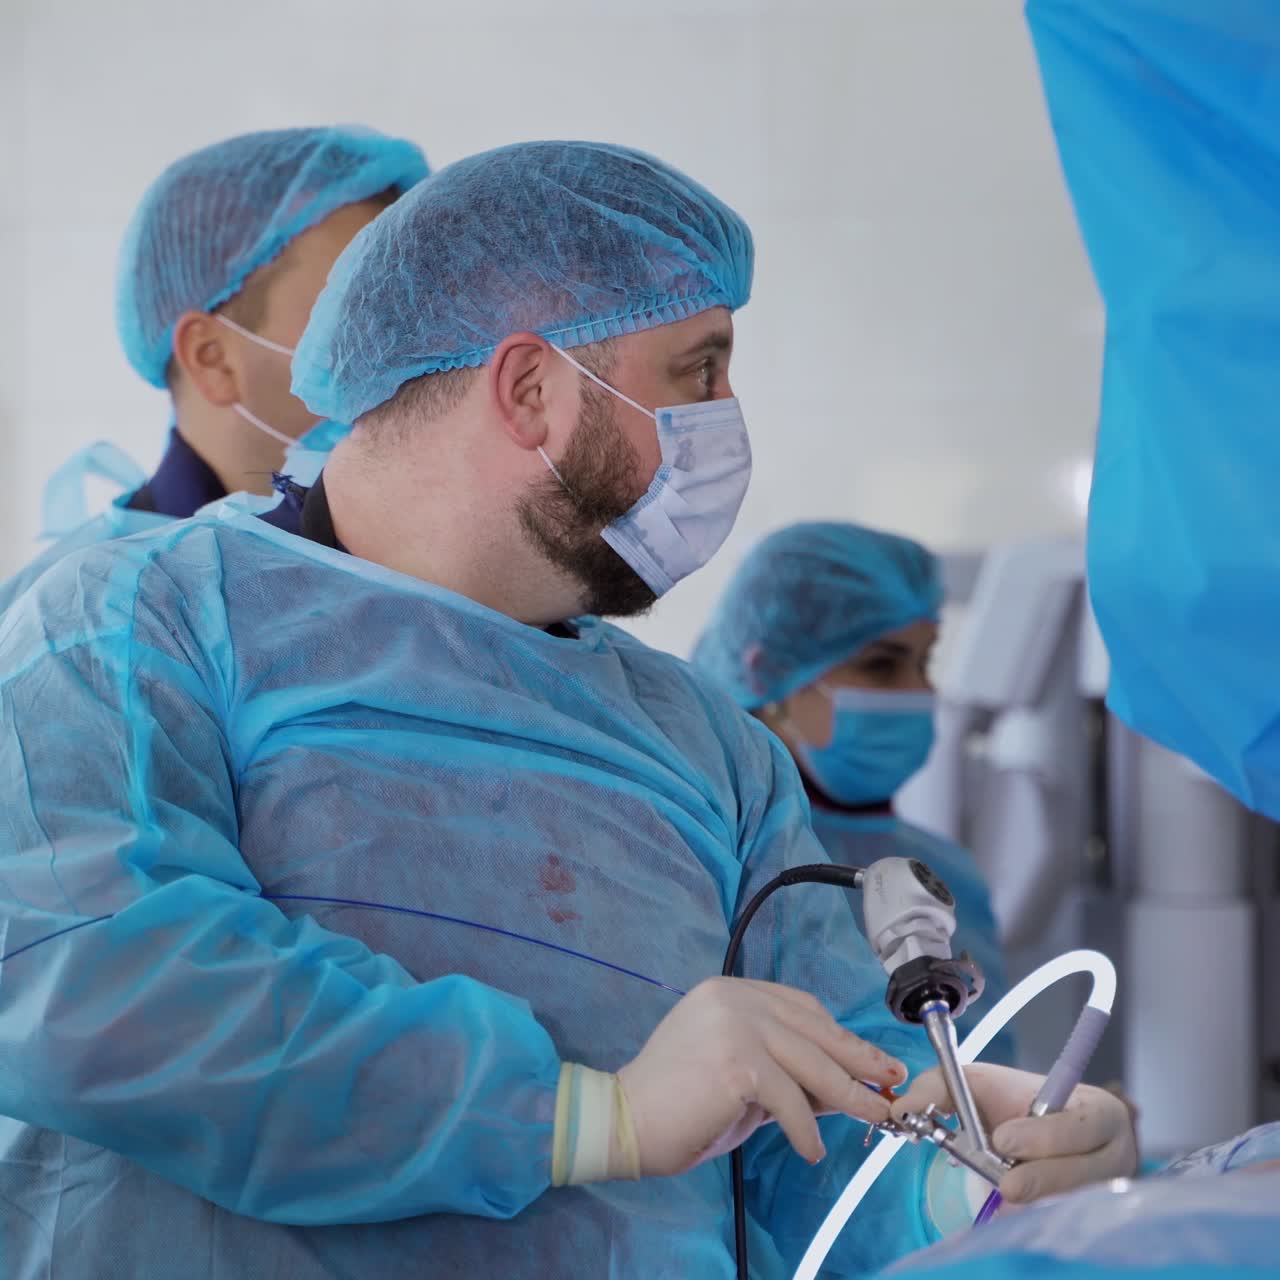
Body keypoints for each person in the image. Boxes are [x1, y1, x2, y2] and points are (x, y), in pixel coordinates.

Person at [0, 140, 1134, 1278]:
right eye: (698, 369)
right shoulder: (131, 618)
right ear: (530, 389)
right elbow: (92, 979)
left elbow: (817, 1138)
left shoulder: (710, 752)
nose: (725, 419)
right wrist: (591, 1118)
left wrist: (966, 1169)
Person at [0, 125, 429, 614]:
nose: (412, 346)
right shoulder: (84, 621)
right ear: (212, 358)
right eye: (357, 312)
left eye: (417, 307)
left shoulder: (457, 567)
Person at [692, 521, 1013, 1061]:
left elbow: (991, 1072)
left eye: (924, 660)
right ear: (769, 673)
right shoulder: (713, 862)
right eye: (882, 665)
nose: (920, 691)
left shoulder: (943, 873)